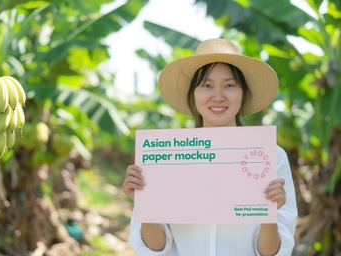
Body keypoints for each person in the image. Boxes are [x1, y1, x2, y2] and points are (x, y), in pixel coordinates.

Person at [122, 38, 297, 256]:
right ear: (193, 94)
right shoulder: (165, 156)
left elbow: (270, 253)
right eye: (206, 85)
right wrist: (146, 204)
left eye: (230, 85)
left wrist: (270, 214)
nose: (218, 96)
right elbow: (156, 249)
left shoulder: (272, 156)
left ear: (243, 93)